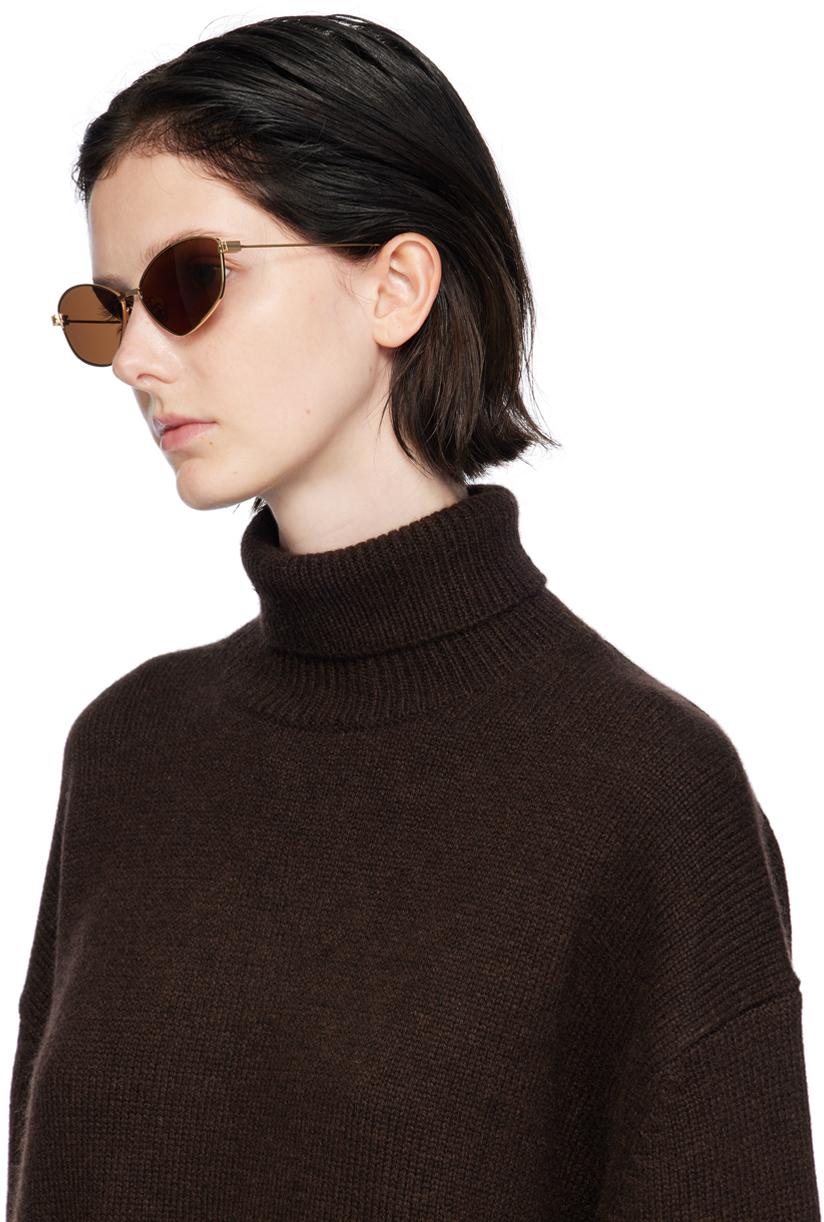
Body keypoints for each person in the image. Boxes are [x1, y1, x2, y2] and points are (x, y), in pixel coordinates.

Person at [8, 14, 820, 1221]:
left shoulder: (643, 790)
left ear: (394, 286)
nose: (134, 358)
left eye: (186, 284)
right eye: (107, 308)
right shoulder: (126, 752)